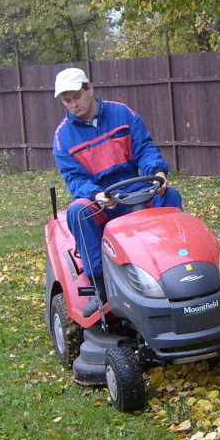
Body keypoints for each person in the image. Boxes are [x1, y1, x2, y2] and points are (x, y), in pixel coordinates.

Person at [51, 67, 183, 307]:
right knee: (78, 212)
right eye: (67, 101)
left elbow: (144, 148)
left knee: (170, 196)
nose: (73, 105)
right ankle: (100, 286)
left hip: (136, 191)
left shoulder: (123, 114)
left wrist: (158, 173)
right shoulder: (63, 138)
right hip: (103, 201)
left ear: (90, 89)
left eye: (77, 97)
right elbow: (75, 178)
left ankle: (177, 267)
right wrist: (96, 194)